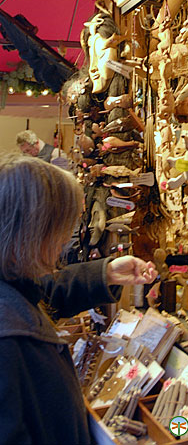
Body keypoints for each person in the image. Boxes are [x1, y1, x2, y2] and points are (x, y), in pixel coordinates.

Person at [0, 153, 157, 445]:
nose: (63, 242)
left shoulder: (12, 283)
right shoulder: (7, 340)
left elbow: (45, 292)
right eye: (59, 230)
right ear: (30, 234)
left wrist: (107, 272)